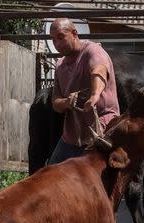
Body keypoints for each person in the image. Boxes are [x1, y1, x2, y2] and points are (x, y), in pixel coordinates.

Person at [48, 17, 120, 164]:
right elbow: (55, 102)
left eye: (61, 37)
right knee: (52, 174)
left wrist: (95, 95)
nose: (57, 44)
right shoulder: (60, 65)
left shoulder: (92, 51)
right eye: (54, 40)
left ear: (74, 33)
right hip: (72, 137)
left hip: (102, 131)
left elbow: (98, 71)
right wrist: (67, 102)